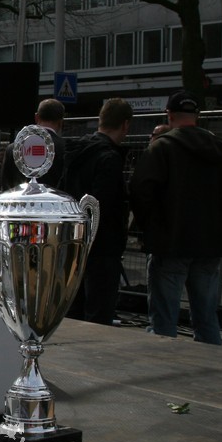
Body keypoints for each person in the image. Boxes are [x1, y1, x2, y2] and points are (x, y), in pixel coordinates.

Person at [129, 90, 222, 345]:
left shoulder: (162, 148)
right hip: (211, 242)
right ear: (197, 115)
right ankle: (210, 359)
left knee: (164, 318)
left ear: (169, 115)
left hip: (171, 241)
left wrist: (150, 226)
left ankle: (163, 362)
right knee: (206, 315)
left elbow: (141, 190)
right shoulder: (220, 148)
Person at [61, 98, 133, 325]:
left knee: (73, 307)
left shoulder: (76, 152)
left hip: (74, 240)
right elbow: (105, 204)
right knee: (99, 311)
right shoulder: (109, 158)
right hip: (103, 245)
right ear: (125, 125)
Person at [2, 98, 66, 189]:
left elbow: (6, 187)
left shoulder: (12, 148)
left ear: (36, 117)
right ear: (61, 122)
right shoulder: (66, 149)